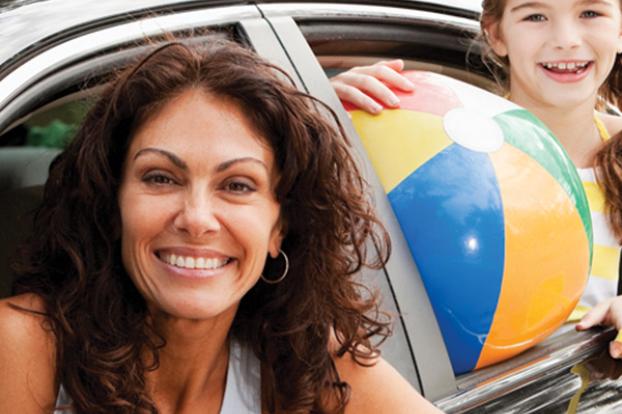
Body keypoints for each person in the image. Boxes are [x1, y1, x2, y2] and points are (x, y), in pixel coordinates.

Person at [0, 39, 441, 413]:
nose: (196, 218)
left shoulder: (301, 359)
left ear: (279, 228)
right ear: (113, 204)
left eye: (237, 185)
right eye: (160, 178)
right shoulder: (25, 344)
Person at [331, 0, 622, 357]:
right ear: (496, 34)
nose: (566, 39)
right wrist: (321, 116)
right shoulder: (425, 145)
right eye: (535, 16)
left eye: (590, 13)